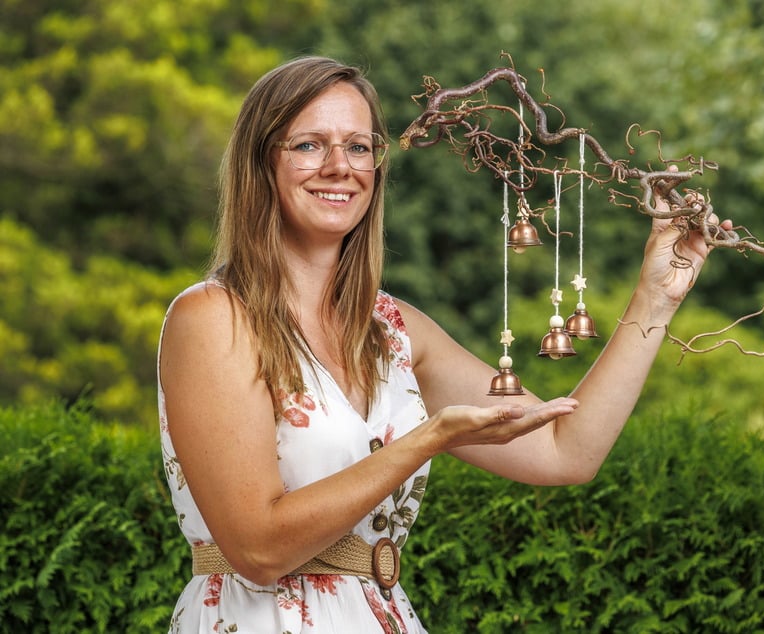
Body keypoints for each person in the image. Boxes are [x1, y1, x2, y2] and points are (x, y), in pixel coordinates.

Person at [157, 55, 729, 633]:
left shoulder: (395, 331)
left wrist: (657, 297)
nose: (339, 167)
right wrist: (429, 438)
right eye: (309, 145)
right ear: (261, 163)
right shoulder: (213, 318)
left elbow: (566, 450)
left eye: (359, 147)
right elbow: (258, 549)